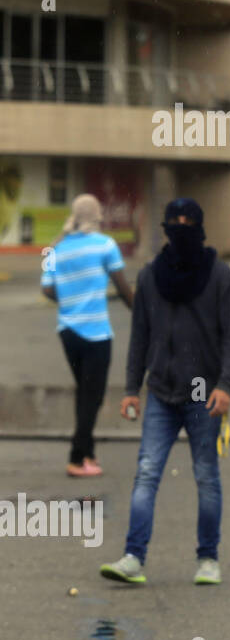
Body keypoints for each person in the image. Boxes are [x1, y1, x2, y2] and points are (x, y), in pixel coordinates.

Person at [99, 199, 230, 587]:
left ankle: (208, 558)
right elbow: (140, 337)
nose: (181, 229)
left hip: (203, 393)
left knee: (206, 476)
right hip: (161, 391)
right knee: (146, 473)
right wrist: (131, 388)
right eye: (175, 222)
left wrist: (226, 385)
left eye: (189, 222)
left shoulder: (218, 275)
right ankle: (133, 557)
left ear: (201, 226)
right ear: (164, 227)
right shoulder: (150, 277)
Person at [39, 194, 135, 477]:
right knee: (92, 396)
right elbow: (122, 288)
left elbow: (46, 289)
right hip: (95, 334)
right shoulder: (105, 245)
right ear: (96, 217)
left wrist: (70, 299)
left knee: (84, 392)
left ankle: (89, 454)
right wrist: (142, 313)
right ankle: (76, 459)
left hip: (67, 331)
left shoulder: (54, 249)